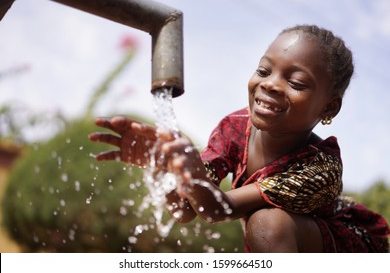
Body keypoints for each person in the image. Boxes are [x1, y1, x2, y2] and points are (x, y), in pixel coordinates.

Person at [89, 24, 390, 252]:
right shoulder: (234, 128)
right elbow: (185, 210)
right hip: (279, 245)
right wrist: (163, 167)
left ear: (329, 107)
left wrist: (192, 176)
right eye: (263, 70)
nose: (270, 84)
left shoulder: (321, 166)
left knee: (266, 222)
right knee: (263, 225)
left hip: (345, 247)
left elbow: (218, 209)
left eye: (296, 82)